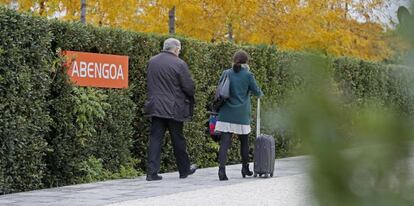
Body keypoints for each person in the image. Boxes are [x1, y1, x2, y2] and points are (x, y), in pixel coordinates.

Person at [144, 38, 197, 181]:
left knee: (155, 139)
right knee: (178, 139)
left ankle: (151, 172)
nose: (179, 52)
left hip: (156, 106)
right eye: (179, 50)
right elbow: (188, 87)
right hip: (174, 108)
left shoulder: (152, 61)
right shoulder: (179, 64)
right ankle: (184, 170)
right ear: (175, 49)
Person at [215, 50, 263, 181]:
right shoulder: (248, 75)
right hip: (241, 114)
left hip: (226, 113)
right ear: (246, 62)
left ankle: (221, 171)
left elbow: (219, 89)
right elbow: (258, 92)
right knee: (244, 143)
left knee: (224, 143)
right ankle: (245, 168)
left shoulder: (226, 73)